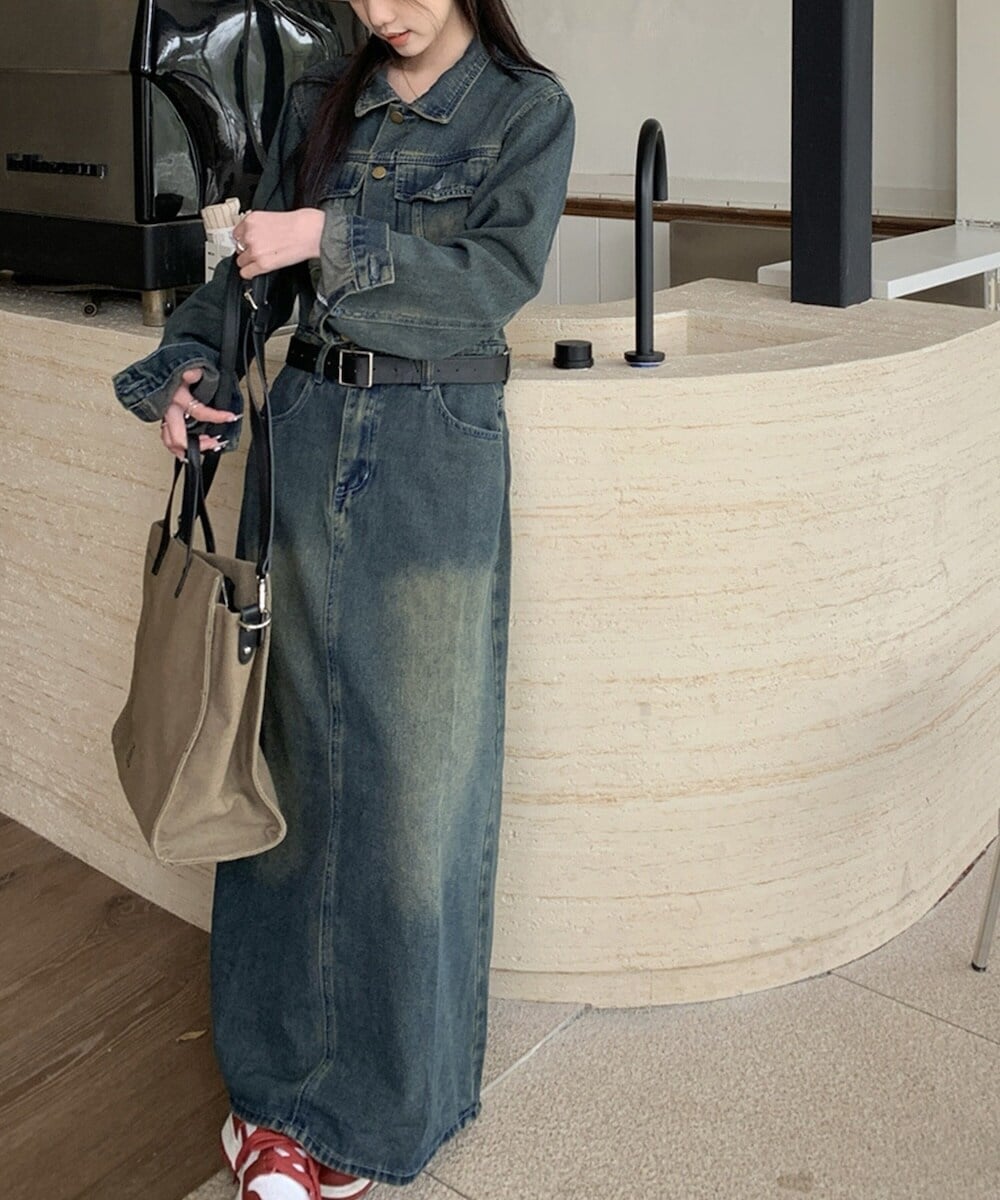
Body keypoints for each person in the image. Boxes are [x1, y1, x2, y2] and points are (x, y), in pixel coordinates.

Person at [112, 1, 574, 1195]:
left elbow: (486, 287)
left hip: (431, 455)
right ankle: (274, 1099)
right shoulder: (324, 99)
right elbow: (251, 279)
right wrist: (193, 366)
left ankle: (374, 1113)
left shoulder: (526, 109)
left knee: (417, 792)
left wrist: (330, 232)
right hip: (307, 436)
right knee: (286, 771)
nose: (379, 12)